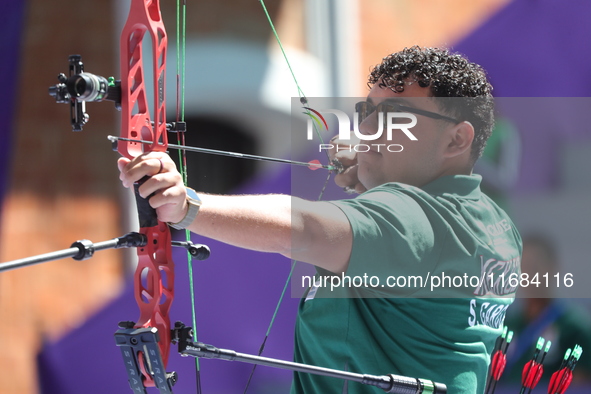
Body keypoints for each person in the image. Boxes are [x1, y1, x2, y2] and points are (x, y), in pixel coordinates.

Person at [118, 46, 522, 393]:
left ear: (457, 138)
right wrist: (371, 176)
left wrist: (186, 205)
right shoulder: (496, 226)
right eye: (368, 112)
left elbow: (305, 229)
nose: (366, 128)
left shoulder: (412, 219)